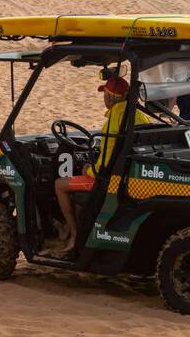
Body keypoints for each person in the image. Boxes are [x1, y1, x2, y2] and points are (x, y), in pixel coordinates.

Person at [52, 75, 149, 255]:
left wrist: (89, 169)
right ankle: (68, 226)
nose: (104, 98)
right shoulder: (140, 115)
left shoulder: (114, 119)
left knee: (60, 185)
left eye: (104, 93)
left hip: (109, 179)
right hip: (129, 174)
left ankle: (74, 234)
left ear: (111, 97)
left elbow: (104, 165)